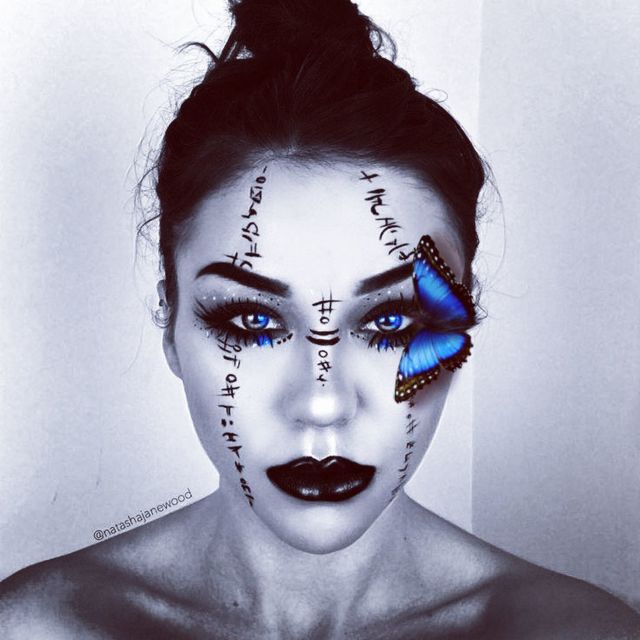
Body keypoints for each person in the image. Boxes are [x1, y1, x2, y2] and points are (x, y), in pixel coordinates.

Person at [1, 1, 638, 638]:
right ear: (170, 323)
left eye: (392, 323)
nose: (323, 404)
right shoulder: (42, 627)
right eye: (252, 322)